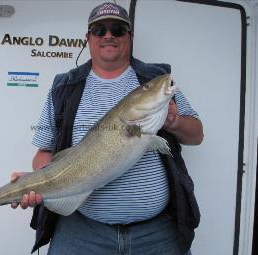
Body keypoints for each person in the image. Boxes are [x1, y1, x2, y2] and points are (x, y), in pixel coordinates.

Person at [11, 2, 203, 255]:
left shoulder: (154, 80)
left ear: (130, 37)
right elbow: (44, 153)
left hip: (157, 232)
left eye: (118, 29)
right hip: (81, 232)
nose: (109, 35)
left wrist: (174, 122)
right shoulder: (64, 88)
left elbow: (196, 134)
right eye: (99, 30)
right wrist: (39, 181)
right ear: (88, 38)